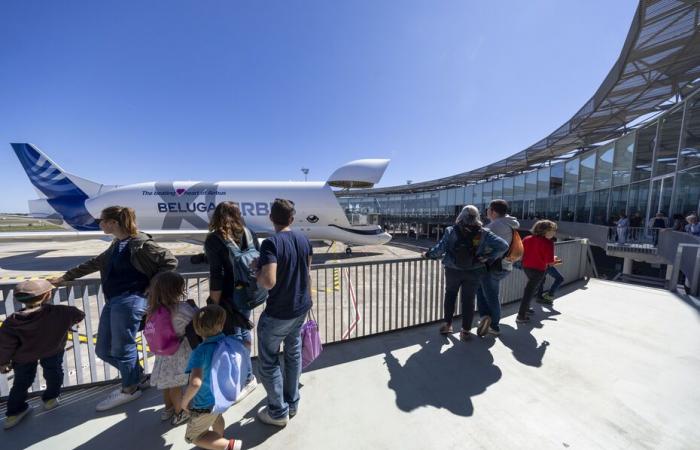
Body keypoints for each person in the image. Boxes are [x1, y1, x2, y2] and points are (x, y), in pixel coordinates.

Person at [48, 206, 178, 411]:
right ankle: (137, 377)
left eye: (102, 221)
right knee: (103, 349)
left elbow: (170, 262)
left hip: (130, 300)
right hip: (114, 300)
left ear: (114, 223)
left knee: (122, 347)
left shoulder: (140, 244)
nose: (100, 225)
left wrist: (151, 288)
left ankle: (130, 388)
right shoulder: (118, 244)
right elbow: (95, 263)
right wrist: (66, 277)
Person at [254, 198, 313, 426]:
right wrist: (309, 300)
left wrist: (256, 271)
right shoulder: (304, 239)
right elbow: (307, 272)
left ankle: (278, 412)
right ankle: (292, 402)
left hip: (279, 312)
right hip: (301, 308)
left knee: (268, 361)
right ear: (292, 218)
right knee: (293, 353)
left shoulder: (271, 243)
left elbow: (268, 281)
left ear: (271, 218)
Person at [0, 279, 85, 429]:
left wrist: (3, 362)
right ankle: (51, 399)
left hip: (24, 357)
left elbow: (5, 346)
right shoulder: (61, 312)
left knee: (21, 382)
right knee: (54, 373)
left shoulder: (12, 322)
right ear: (47, 296)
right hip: (53, 350)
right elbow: (79, 314)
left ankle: (13, 414)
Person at [425, 205, 508, 341]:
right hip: (474, 270)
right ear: (477, 217)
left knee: (450, 295)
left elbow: (439, 250)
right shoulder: (484, 232)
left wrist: (428, 254)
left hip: (453, 270)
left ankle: (447, 325)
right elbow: (503, 245)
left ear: (461, 216)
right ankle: (465, 331)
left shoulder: (451, 230)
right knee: (468, 300)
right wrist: (489, 257)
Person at [204, 201, 259, 399]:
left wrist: (214, 302)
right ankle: (246, 375)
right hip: (248, 293)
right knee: (243, 332)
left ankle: (245, 377)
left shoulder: (214, 239)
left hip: (228, 297)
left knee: (233, 337)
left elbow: (216, 274)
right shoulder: (249, 232)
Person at [181, 305, 242, 450]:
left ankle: (228, 446)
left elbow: (196, 383)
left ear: (196, 329)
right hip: (221, 397)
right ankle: (217, 440)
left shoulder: (199, 352)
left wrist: (184, 402)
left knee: (194, 436)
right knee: (217, 418)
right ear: (221, 325)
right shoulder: (228, 342)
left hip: (203, 404)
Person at [146, 271, 197, 427]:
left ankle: (167, 409)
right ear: (177, 290)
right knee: (177, 386)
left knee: (168, 384)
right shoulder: (181, 309)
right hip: (179, 352)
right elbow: (195, 319)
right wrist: (194, 307)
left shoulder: (153, 310)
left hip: (164, 354)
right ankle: (180, 412)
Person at [475, 199, 520, 337]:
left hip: (493, 266)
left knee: (490, 296)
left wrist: (484, 256)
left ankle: (493, 325)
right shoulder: (509, 223)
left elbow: (483, 245)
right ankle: (486, 319)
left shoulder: (495, 226)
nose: (486, 211)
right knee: (483, 291)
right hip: (504, 265)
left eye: (488, 208)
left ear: (493, 211)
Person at [517, 220, 559, 323]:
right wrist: (555, 259)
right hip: (539, 270)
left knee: (531, 289)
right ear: (545, 231)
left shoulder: (527, 239)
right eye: (553, 230)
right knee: (529, 291)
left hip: (526, 267)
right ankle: (521, 316)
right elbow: (550, 262)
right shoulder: (549, 243)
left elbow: (521, 253)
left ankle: (526, 309)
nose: (554, 233)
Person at [536, 237, 564, 305]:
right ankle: (548, 295)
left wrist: (553, 259)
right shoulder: (547, 245)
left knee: (541, 281)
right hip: (545, 266)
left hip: (542, 266)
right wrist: (557, 261)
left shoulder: (542, 244)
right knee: (560, 278)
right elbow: (549, 262)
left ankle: (541, 297)